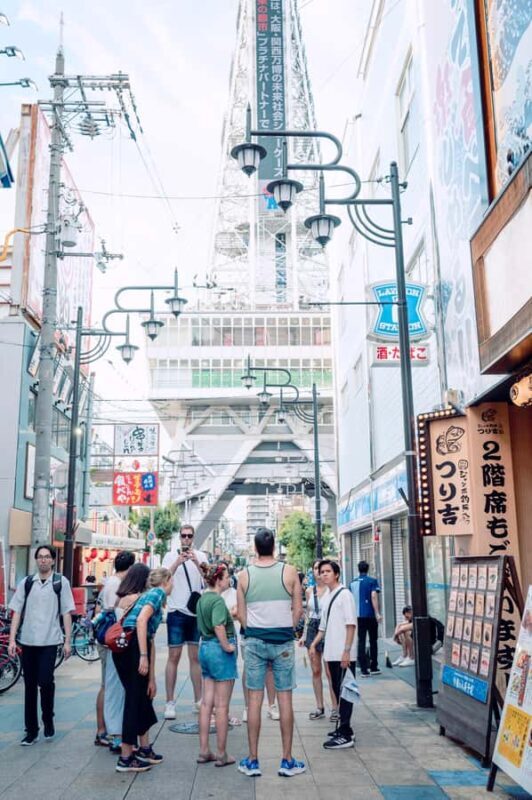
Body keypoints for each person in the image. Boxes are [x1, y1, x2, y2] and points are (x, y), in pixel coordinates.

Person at [237, 527, 305, 778]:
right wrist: (286, 627)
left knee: (254, 701)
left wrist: (253, 629)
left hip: (255, 640)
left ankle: (253, 760)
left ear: (255, 548)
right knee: (285, 699)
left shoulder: (243, 575)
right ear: (274, 547)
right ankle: (286, 760)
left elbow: (241, 615)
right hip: (283, 641)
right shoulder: (289, 572)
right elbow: (298, 610)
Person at [8, 544, 75, 745]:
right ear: (36, 560)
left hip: (49, 641)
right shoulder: (27, 583)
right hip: (28, 641)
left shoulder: (60, 582)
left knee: (45, 682)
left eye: (47, 557)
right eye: (40, 557)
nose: (43, 560)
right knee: (29, 686)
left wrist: (68, 641)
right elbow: (17, 611)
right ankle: (31, 730)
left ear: (53, 560)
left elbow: (66, 612)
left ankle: (48, 718)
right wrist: (12, 639)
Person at [113, 566, 173, 773]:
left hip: (130, 647)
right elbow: (141, 621)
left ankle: (143, 748)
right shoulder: (157, 593)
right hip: (132, 648)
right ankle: (126, 757)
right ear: (166, 581)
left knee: (141, 698)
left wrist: (151, 677)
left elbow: (150, 637)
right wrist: (143, 656)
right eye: (171, 581)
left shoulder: (150, 594)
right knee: (134, 700)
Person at [162, 524, 208, 720]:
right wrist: (177, 563)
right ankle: (170, 702)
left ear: (194, 537)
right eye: (183, 536)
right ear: (179, 537)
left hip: (195, 613)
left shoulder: (201, 556)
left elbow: (208, 579)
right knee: (173, 656)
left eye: (189, 536)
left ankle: (199, 701)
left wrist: (196, 562)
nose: (186, 539)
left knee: (195, 658)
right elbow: (161, 579)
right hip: (176, 611)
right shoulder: (170, 555)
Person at [310, 559, 357, 750]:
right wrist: (313, 644)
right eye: (322, 572)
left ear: (336, 574)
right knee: (338, 690)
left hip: (343, 653)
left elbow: (351, 624)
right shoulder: (327, 597)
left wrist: (347, 651)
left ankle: (345, 733)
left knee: (346, 692)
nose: (324, 574)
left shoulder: (345, 595)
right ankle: (344, 728)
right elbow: (323, 627)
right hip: (330, 652)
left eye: (328, 571)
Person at [196, 563, 238, 767]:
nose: (229, 579)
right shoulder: (218, 601)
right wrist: (227, 646)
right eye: (227, 576)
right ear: (219, 579)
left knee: (206, 703)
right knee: (222, 706)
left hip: (204, 649)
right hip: (218, 651)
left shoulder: (203, 598)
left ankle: (204, 750)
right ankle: (221, 753)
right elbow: (218, 625)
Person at [95, 550, 135, 748]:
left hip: (110, 641)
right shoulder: (115, 585)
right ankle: (107, 732)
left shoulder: (113, 583)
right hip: (110, 642)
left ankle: (107, 731)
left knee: (110, 685)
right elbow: (115, 615)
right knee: (109, 685)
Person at [299, 559, 336, 720]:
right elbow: (307, 615)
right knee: (316, 671)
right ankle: (320, 706)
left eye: (322, 570)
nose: (319, 572)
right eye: (316, 569)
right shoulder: (309, 591)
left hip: (328, 628)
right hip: (313, 628)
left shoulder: (332, 590)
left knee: (330, 671)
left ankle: (335, 708)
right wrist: (304, 635)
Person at [349, 560, 382, 677]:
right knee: (373, 640)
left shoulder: (352, 583)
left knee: (361, 640)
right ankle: (374, 666)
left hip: (358, 616)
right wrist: (377, 613)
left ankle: (363, 669)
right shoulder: (372, 581)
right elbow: (373, 596)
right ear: (368, 569)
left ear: (359, 569)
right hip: (370, 615)